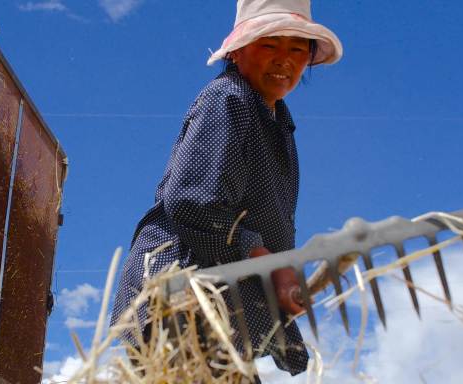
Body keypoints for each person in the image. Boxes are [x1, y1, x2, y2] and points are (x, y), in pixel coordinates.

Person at [111, 0, 342, 377]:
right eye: (269, 45)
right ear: (237, 50)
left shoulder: (277, 122)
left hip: (220, 304)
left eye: (298, 48)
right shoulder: (228, 99)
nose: (284, 59)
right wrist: (269, 263)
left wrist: (278, 275)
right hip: (182, 295)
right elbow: (193, 203)